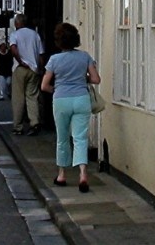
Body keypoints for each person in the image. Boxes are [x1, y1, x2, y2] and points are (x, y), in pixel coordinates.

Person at [41, 22, 101, 193]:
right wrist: (83, 79)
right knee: (80, 138)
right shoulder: (84, 57)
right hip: (82, 99)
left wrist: (57, 89)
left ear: (59, 41)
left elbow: (44, 86)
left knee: (62, 138)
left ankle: (62, 175)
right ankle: (83, 175)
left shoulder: (54, 60)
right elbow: (96, 79)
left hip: (61, 100)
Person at [9, 13, 45, 135]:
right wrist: (39, 69)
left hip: (20, 68)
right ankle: (34, 123)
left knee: (18, 98)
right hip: (33, 68)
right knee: (32, 96)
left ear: (17, 23)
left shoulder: (15, 34)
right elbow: (41, 55)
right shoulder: (35, 35)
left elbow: (13, 49)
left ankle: (18, 127)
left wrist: (20, 61)